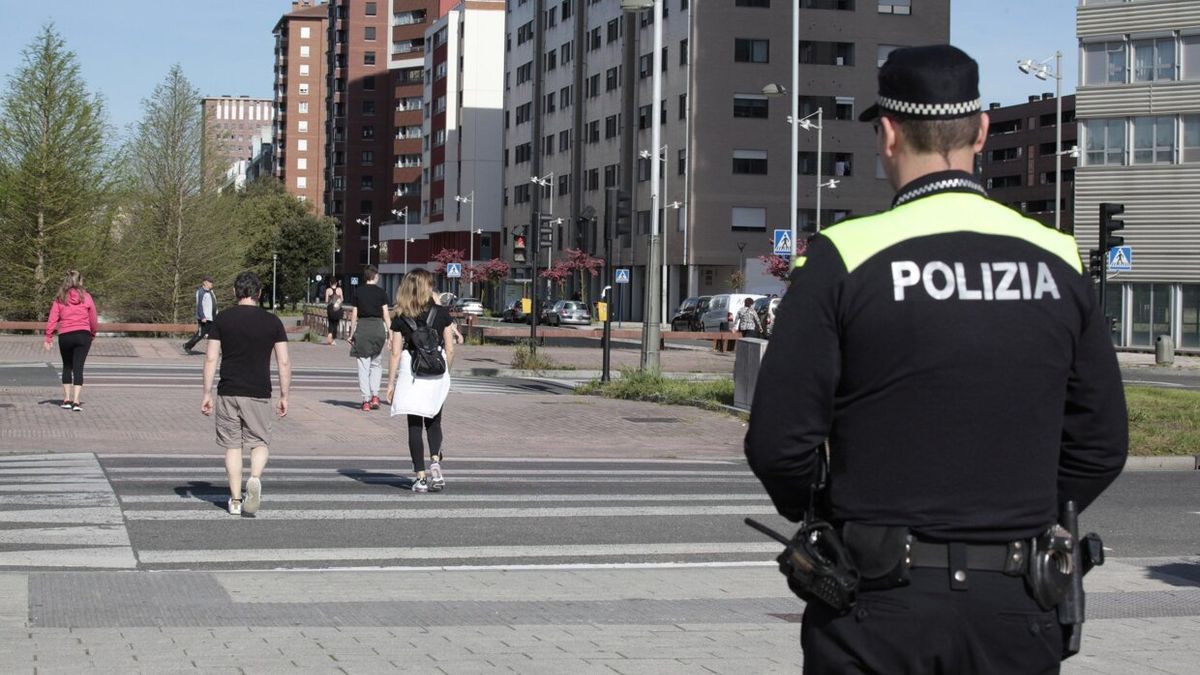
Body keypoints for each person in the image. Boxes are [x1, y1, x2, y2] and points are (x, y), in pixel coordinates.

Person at [744, 45, 1128, 674]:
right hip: (1017, 599)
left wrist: (827, 514)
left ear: (888, 134)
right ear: (980, 131)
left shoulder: (842, 258)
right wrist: (1019, 512)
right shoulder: (1057, 257)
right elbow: (1102, 443)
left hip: (875, 603)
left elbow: (779, 443)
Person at [201, 271, 291, 517]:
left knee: (232, 446)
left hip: (228, 390)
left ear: (234, 292)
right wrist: (285, 395)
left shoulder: (222, 319)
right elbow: (283, 362)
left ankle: (237, 500)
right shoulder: (273, 322)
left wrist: (206, 392)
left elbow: (211, 357)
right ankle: (254, 478)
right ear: (259, 294)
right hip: (258, 391)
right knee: (259, 442)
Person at [385, 269, 456, 493]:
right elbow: (450, 348)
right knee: (434, 421)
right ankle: (435, 459)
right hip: (436, 372)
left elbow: (395, 353)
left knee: (414, 426)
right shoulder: (441, 313)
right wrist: (446, 374)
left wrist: (390, 383)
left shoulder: (400, 317)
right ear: (428, 287)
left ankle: (420, 477)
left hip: (412, 373)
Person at [42, 270, 98, 412]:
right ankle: (76, 401)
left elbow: (53, 318)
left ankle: (66, 399)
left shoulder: (60, 298)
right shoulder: (86, 297)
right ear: (80, 281)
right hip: (83, 335)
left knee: (67, 366)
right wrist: (92, 333)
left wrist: (48, 336)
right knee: (78, 368)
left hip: (65, 335)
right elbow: (93, 318)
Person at [348, 265, 390, 411]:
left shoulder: (358, 292)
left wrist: (351, 333)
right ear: (375, 276)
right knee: (376, 365)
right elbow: (386, 314)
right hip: (378, 328)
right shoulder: (381, 292)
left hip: (363, 329)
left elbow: (354, 314)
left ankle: (365, 400)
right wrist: (390, 332)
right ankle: (375, 396)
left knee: (363, 366)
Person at [183, 275, 216, 354]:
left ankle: (212, 350)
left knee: (214, 334)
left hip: (212, 317)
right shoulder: (200, 292)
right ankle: (187, 345)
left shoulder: (211, 291)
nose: (212, 283)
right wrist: (202, 316)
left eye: (212, 282)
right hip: (205, 318)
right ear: (205, 282)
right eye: (210, 282)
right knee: (200, 334)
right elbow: (199, 305)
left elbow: (214, 304)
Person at [324, 277, 343, 346]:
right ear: (336, 283)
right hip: (338, 309)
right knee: (336, 324)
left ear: (330, 283)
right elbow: (342, 299)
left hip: (330, 308)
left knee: (330, 323)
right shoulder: (339, 289)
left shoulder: (328, 290)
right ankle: (333, 339)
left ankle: (329, 333)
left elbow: (326, 301)